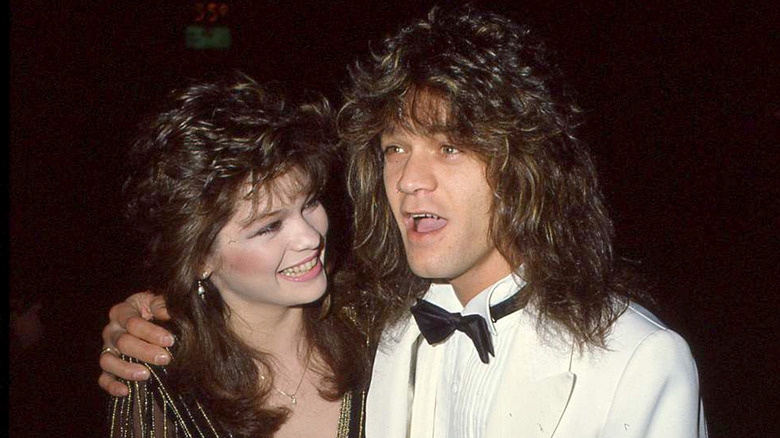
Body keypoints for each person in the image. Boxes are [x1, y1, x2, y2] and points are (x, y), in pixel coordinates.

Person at [100, 7, 707, 437]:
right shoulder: (390, 328)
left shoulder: (638, 362)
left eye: (449, 147)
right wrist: (142, 318)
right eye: (394, 149)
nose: (410, 180)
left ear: (526, 163)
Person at [102, 74, 369, 437]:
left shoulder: (375, 327)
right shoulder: (162, 384)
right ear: (199, 258)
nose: (309, 236)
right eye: (269, 226)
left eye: (309, 203)